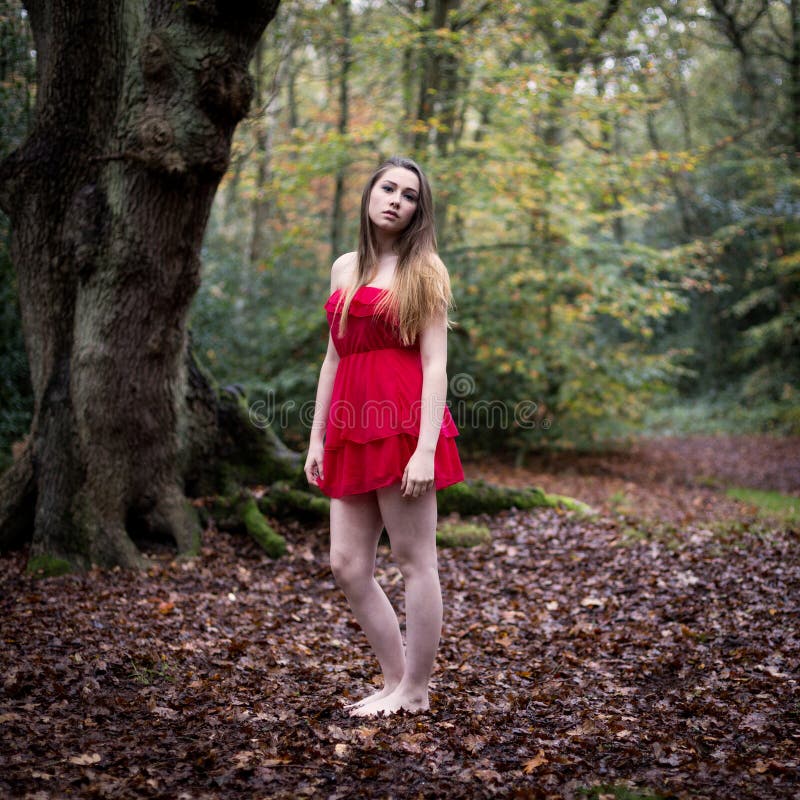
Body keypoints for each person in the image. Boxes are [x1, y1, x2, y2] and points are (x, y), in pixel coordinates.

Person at [304, 156, 464, 717]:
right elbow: (332, 358)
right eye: (388, 188)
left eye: (410, 195)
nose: (396, 199)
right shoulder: (344, 267)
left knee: (415, 560)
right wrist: (317, 438)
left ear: (420, 210)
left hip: (401, 424)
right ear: (370, 194)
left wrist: (424, 448)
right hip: (349, 425)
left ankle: (416, 691)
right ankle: (395, 682)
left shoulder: (427, 271)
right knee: (347, 565)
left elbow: (435, 365)